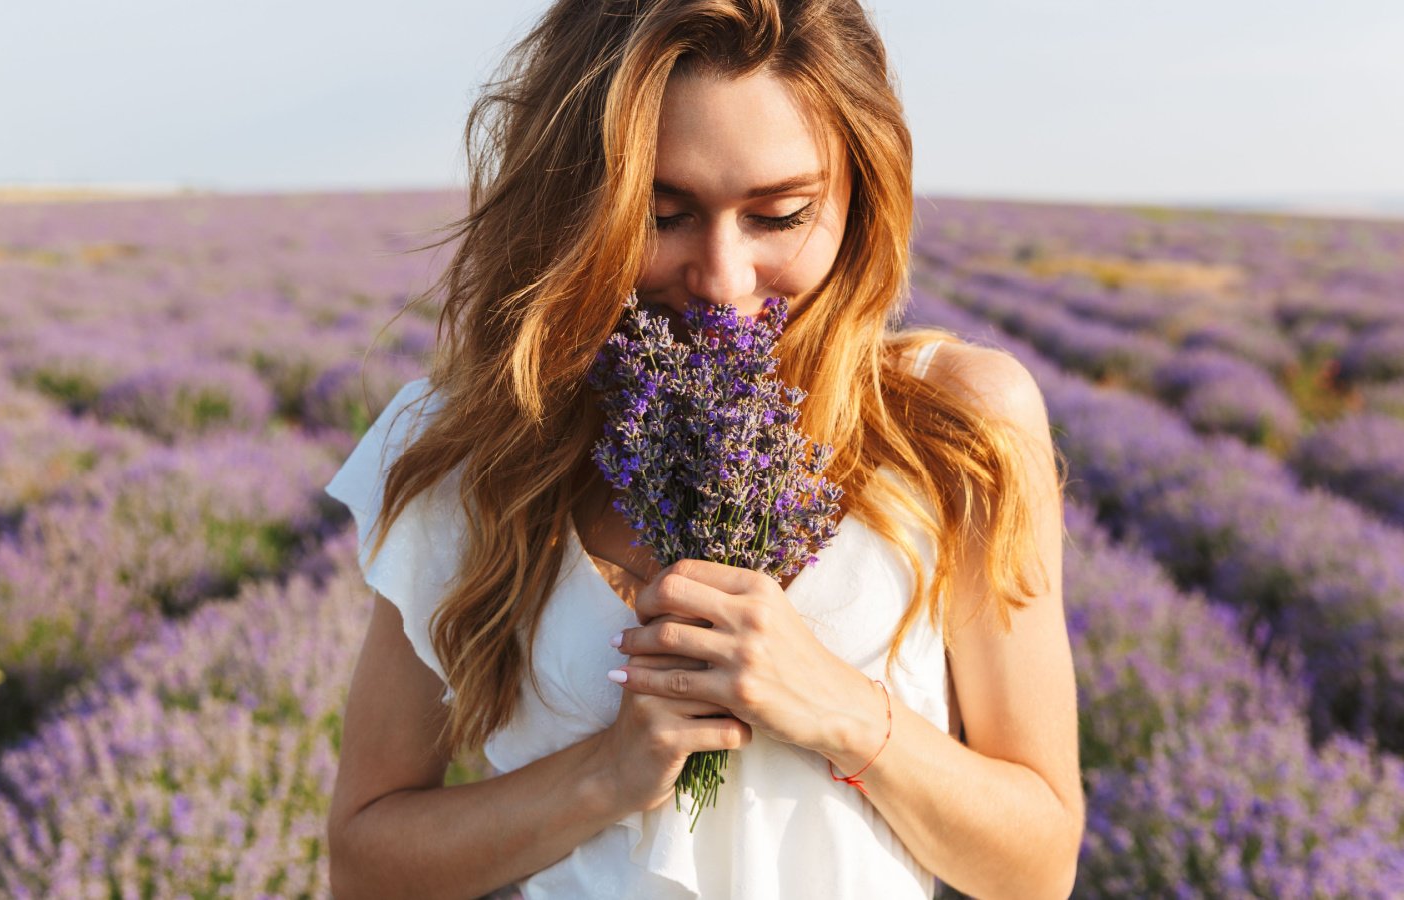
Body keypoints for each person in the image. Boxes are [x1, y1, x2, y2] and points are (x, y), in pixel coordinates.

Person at [323, 1, 1083, 897]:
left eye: (779, 215)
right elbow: (366, 864)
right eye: (664, 212)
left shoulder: (956, 425)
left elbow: (1037, 866)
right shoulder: (480, 442)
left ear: (861, 196)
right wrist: (605, 774)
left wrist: (841, 711)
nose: (723, 281)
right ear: (575, 205)